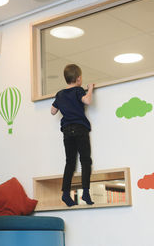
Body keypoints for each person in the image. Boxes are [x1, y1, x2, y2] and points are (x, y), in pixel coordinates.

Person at [51, 64, 95, 207]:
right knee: (85, 160)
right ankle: (86, 193)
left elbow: (52, 111)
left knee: (70, 162)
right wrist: (90, 89)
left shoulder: (60, 94)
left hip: (66, 131)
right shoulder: (78, 90)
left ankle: (65, 194)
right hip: (80, 128)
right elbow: (87, 101)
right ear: (79, 78)